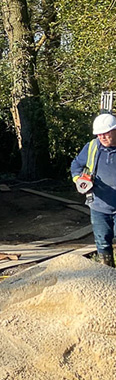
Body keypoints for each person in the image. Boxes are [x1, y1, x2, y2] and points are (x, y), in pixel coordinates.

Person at [71, 113, 116, 267]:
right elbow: (76, 166)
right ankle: (106, 276)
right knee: (102, 243)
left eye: (106, 133)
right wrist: (79, 180)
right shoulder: (92, 147)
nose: (102, 137)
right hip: (99, 206)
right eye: (99, 134)